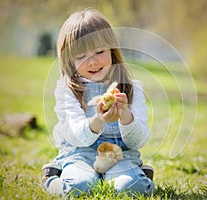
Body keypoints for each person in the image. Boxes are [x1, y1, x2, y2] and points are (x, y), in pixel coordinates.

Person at [42, 8, 154, 197]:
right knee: (80, 187)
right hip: (80, 155)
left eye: (99, 51)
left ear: (112, 50)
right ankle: (51, 178)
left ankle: (141, 176)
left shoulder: (132, 88)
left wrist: (125, 115)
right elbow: (76, 135)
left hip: (121, 156)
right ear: (69, 61)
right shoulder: (68, 90)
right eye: (81, 56)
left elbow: (138, 141)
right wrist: (99, 120)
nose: (92, 62)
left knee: (131, 188)